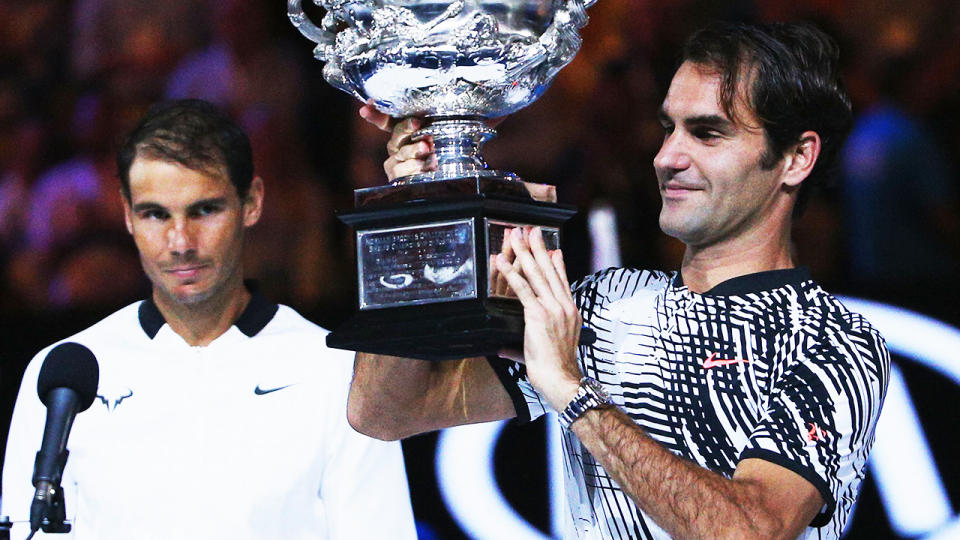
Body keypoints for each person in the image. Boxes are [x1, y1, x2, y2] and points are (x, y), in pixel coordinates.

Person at [349, 21, 890, 539]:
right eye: (668, 128)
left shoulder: (834, 340)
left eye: (707, 133)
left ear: (797, 158)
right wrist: (413, 216)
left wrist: (572, 391)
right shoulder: (603, 305)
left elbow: (747, 532)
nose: (666, 157)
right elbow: (384, 412)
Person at [1, 99, 416, 539]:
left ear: (252, 202)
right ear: (127, 216)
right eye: (155, 214)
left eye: (204, 210)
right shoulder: (63, 375)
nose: (180, 242)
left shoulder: (338, 371)